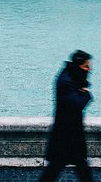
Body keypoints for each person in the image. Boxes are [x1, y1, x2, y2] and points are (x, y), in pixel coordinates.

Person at [39, 50, 93, 182]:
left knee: (65, 166)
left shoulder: (69, 76)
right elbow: (78, 103)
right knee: (67, 165)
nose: (89, 70)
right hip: (67, 135)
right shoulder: (66, 82)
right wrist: (86, 94)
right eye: (86, 66)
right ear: (78, 66)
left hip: (68, 134)